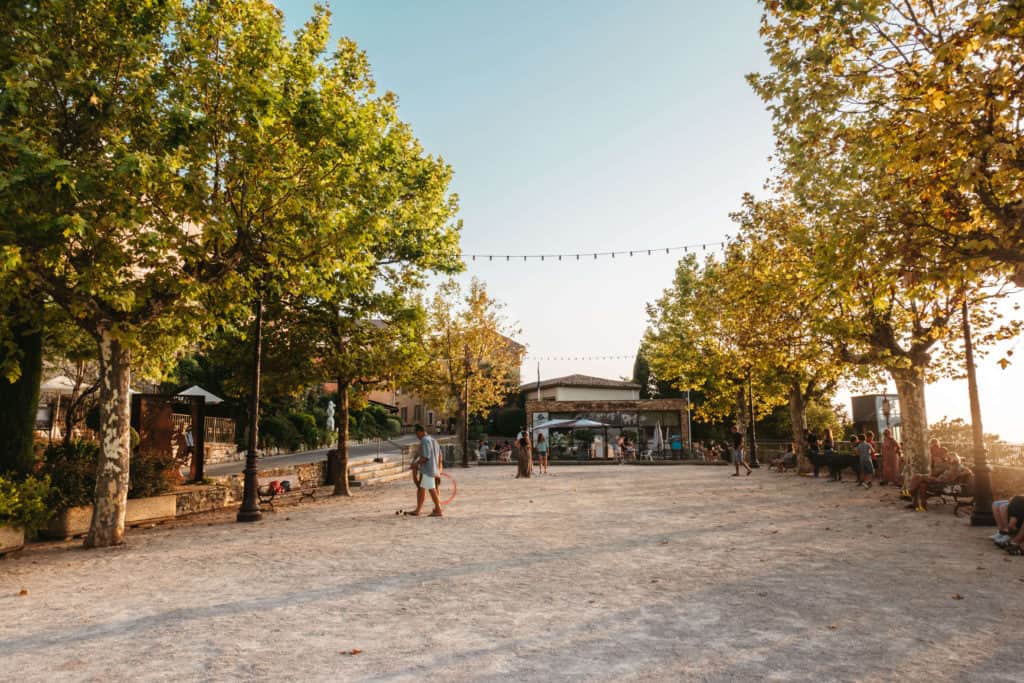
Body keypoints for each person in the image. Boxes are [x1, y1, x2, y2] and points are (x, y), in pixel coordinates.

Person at [410, 424, 443, 517]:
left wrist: (415, 464)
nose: (417, 436)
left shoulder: (425, 440)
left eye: (417, 434)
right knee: (421, 489)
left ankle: (438, 509)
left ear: (420, 431)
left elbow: (426, 457)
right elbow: (440, 455)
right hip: (434, 469)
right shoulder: (434, 440)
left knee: (432, 489)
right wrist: (439, 468)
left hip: (428, 469)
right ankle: (418, 510)